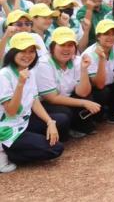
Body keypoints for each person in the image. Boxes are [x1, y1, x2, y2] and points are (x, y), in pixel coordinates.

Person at [0, 32, 66, 170]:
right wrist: (20, 84)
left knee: (61, 120)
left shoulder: (27, 70)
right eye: (22, 51)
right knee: (56, 149)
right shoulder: (4, 75)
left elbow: (34, 100)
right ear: (12, 53)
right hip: (7, 128)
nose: (28, 55)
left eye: (31, 51)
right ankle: (7, 152)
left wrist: (50, 122)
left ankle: (25, 144)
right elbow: (11, 111)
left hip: (24, 121)